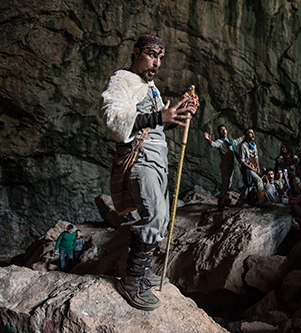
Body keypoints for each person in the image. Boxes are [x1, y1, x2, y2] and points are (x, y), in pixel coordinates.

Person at [100, 34, 197, 311]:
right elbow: (114, 120)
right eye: (152, 54)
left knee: (162, 218)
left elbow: (152, 127)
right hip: (139, 160)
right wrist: (159, 117)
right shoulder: (122, 80)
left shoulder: (150, 87)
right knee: (154, 215)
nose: (157, 62)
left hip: (157, 160)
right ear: (136, 53)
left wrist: (176, 114)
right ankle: (131, 280)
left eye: (161, 58)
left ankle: (140, 274)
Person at [204, 125, 244, 210]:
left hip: (231, 164)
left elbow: (235, 142)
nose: (224, 131)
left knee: (229, 183)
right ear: (219, 133)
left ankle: (224, 198)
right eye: (222, 130)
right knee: (226, 184)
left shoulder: (229, 140)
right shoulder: (220, 142)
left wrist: (243, 136)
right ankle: (221, 202)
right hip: (225, 165)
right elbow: (213, 144)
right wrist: (209, 140)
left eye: (225, 130)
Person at [236, 128, 265, 206]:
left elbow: (256, 157)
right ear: (246, 135)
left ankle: (240, 200)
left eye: (253, 133)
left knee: (249, 185)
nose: (253, 135)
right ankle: (261, 200)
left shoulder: (254, 145)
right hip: (246, 168)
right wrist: (253, 169)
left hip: (253, 167)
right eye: (251, 133)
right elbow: (242, 161)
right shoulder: (243, 146)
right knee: (258, 180)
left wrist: (258, 167)